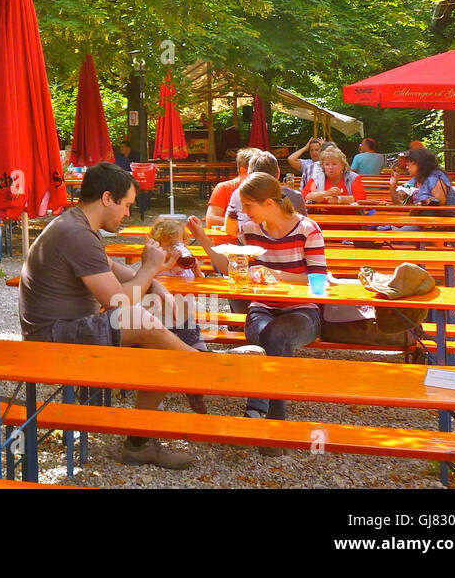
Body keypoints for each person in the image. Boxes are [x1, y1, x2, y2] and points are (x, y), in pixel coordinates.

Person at [18, 162, 263, 470]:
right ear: (108, 198)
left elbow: (111, 267)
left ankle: (140, 442)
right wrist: (147, 270)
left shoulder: (75, 225)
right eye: (127, 206)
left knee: (166, 317)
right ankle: (206, 369)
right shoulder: (75, 234)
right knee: (143, 321)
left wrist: (156, 283)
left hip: (72, 328)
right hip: (53, 337)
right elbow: (119, 303)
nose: (128, 214)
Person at [189, 172, 327, 442]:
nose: (243, 213)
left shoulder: (307, 229)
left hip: (303, 311)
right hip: (262, 307)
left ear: (269, 204)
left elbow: (317, 279)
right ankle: (272, 426)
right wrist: (203, 239)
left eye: (248, 206)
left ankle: (262, 416)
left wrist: (276, 275)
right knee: (268, 335)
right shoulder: (250, 231)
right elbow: (230, 269)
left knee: (273, 336)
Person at [224, 151, 306, 239]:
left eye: (248, 205)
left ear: (250, 176)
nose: (245, 210)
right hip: (289, 249)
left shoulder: (239, 194)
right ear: (278, 173)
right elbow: (303, 229)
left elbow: (230, 229)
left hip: (250, 248)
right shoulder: (295, 196)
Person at [390, 148, 455, 216]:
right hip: (422, 221)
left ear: (420, 164)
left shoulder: (435, 178)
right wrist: (393, 186)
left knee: (397, 226)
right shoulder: (415, 180)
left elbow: (439, 202)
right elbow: (399, 202)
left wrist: (420, 204)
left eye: (409, 165)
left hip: (443, 223)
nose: (407, 168)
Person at [205, 148, 258, 226]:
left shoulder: (262, 189)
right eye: (257, 172)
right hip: (228, 236)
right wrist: (242, 225)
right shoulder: (224, 188)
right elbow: (211, 219)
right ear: (243, 171)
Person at [302, 147, 367, 206]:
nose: (330, 167)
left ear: (343, 165)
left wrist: (340, 199)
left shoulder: (353, 178)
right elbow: (305, 196)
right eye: (327, 164)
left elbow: (361, 197)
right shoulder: (316, 178)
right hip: (321, 216)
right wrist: (327, 193)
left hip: (349, 216)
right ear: (323, 167)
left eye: (334, 164)